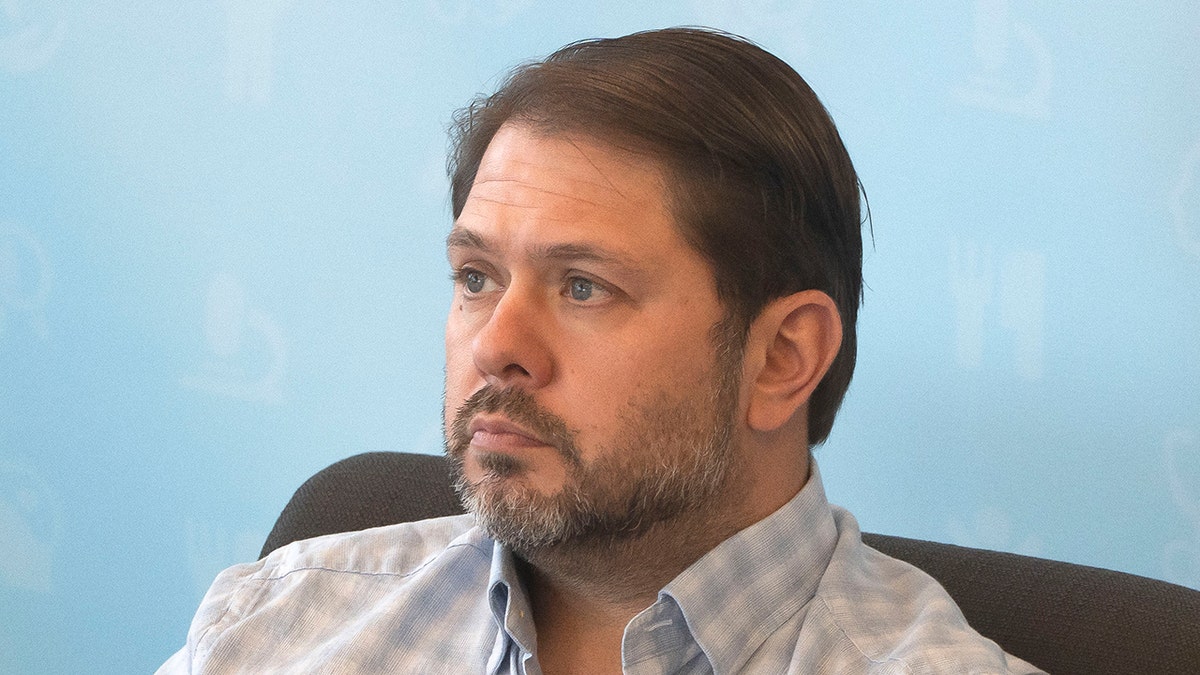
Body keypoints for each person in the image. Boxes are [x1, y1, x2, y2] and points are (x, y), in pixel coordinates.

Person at [159, 28, 1043, 674]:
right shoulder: (276, 624)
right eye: (476, 277)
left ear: (782, 357)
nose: (496, 348)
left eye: (584, 287)